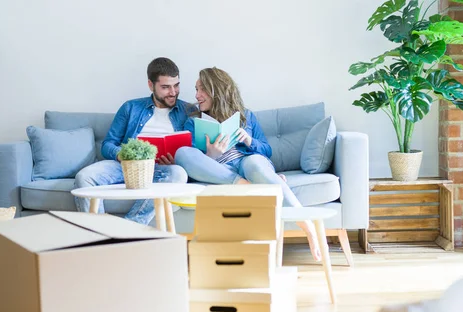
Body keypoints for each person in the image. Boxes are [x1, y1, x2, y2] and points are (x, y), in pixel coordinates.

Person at [174, 67, 322, 260]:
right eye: (196, 89)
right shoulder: (193, 122)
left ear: (216, 90)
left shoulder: (246, 116)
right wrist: (211, 154)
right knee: (182, 152)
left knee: (253, 163)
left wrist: (249, 141)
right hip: (220, 170)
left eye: (202, 89)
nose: (197, 95)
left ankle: (307, 225)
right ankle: (252, 185)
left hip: (246, 163)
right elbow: (195, 162)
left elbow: (266, 150)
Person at [74, 57, 192, 224]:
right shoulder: (131, 107)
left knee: (179, 173)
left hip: (162, 170)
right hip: (126, 165)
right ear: (151, 85)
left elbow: (194, 150)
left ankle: (129, 229)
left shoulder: (188, 110)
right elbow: (107, 144)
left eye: (176, 85)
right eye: (165, 87)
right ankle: (99, 233)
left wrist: (177, 159)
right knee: (84, 176)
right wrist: (122, 155)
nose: (173, 92)